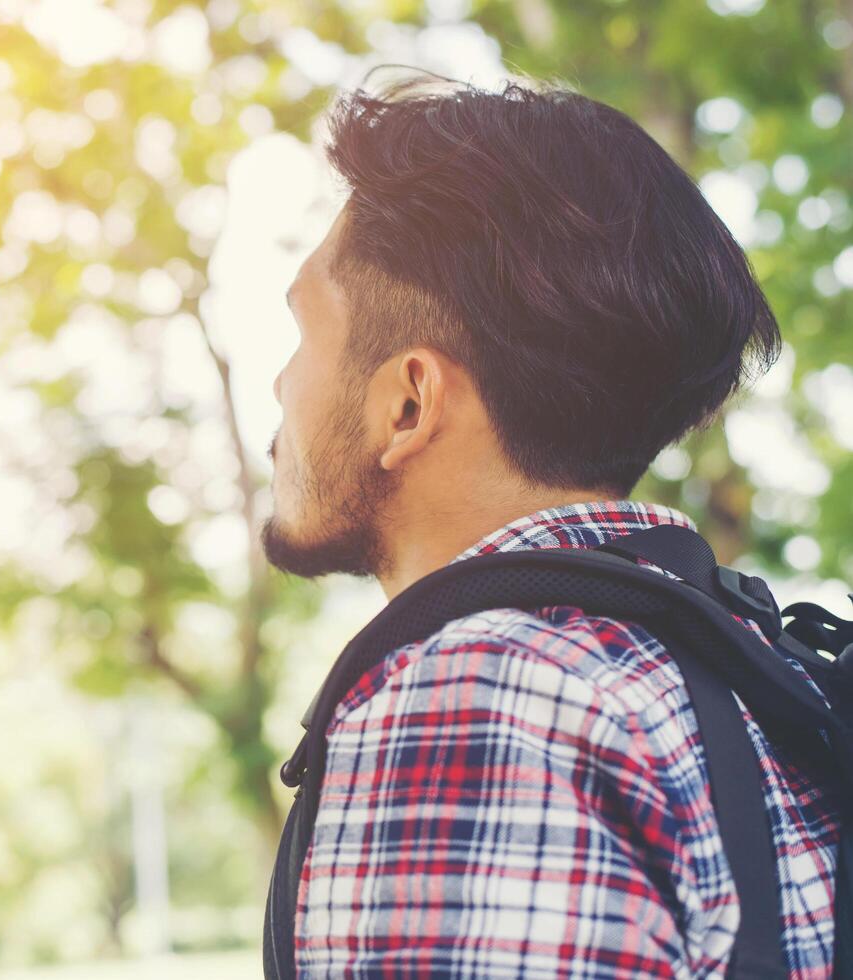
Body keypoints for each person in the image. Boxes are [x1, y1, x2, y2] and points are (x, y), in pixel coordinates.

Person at [261, 72, 838, 977]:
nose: (280, 384)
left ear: (407, 403)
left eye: (300, 333)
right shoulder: (732, 671)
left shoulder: (477, 698)